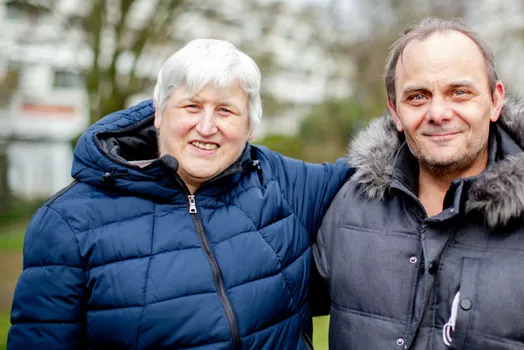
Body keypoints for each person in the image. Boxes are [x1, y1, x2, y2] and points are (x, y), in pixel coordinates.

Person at [8, 39, 350, 349]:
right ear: (158, 112)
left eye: (226, 110)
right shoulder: (68, 223)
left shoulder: (285, 183)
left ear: (249, 126)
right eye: (191, 106)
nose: (206, 126)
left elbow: (384, 170)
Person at [314, 18, 524, 350]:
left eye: (459, 92)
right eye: (417, 97)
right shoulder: (348, 210)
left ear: (495, 100)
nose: (438, 112)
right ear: (395, 111)